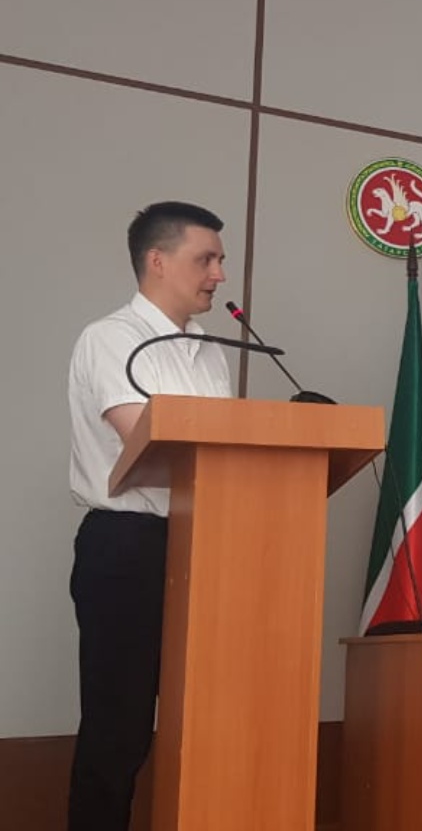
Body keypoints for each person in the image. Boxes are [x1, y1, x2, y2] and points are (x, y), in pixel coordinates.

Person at [66, 201, 232, 831]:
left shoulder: (210, 352)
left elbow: (224, 458)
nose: (219, 274)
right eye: (206, 259)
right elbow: (148, 444)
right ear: (157, 261)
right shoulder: (111, 338)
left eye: (221, 260)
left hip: (206, 541)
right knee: (120, 726)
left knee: (208, 715)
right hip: (128, 545)